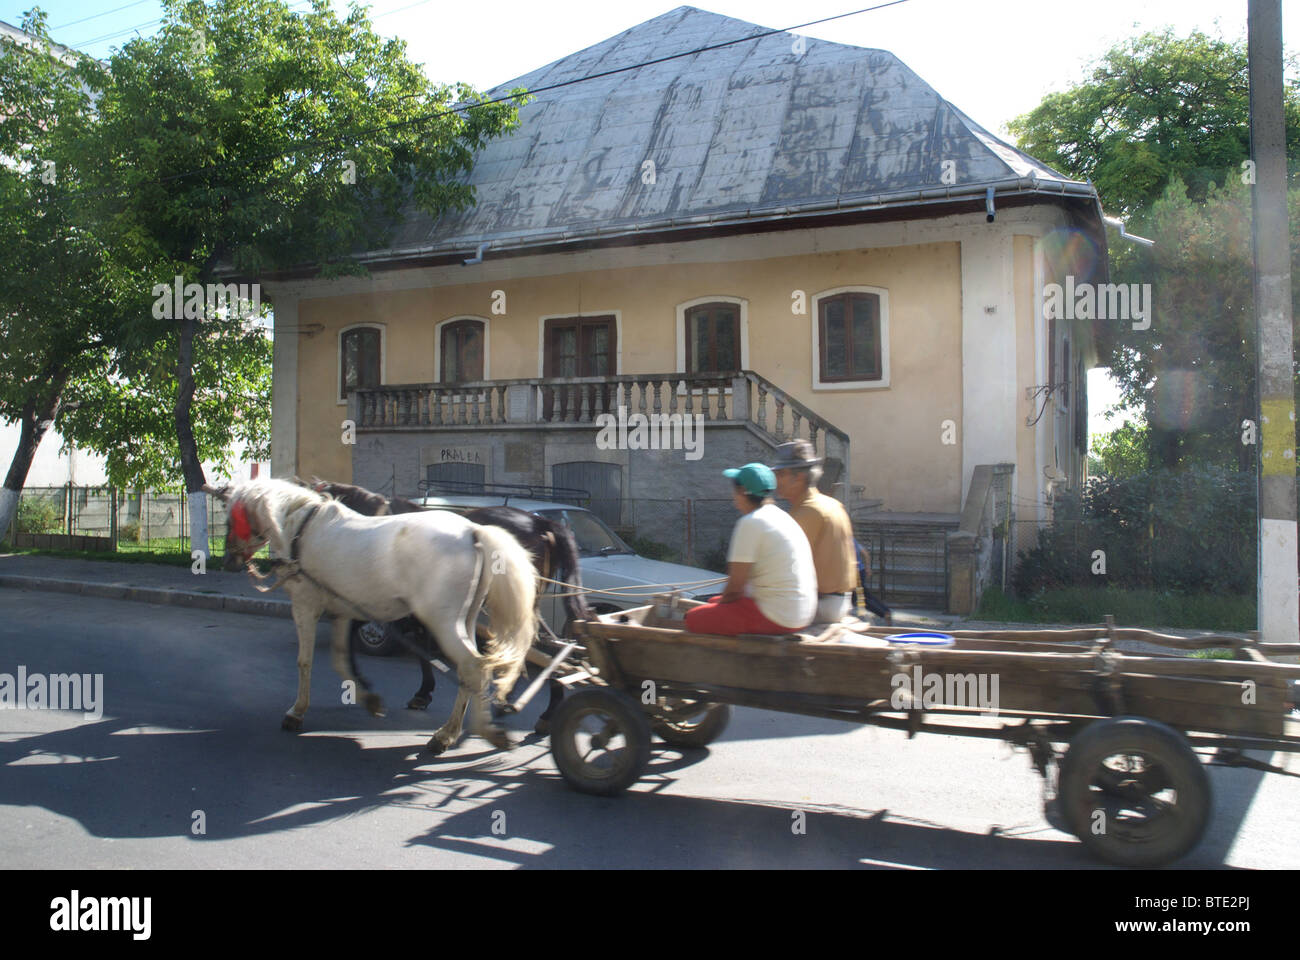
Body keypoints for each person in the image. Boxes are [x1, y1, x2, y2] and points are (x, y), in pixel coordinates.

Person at [684, 463, 817, 636]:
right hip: (803, 613)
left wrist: (716, 609)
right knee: (713, 602)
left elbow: (734, 590)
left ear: (741, 492)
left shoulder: (750, 522)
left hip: (778, 616)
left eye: (735, 492)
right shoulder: (782, 517)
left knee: (691, 618)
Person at [771, 440, 859, 623]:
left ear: (800, 477)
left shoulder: (808, 512)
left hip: (821, 606)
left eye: (781, 474)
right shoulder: (831, 504)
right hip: (838, 602)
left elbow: (785, 568)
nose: (776, 480)